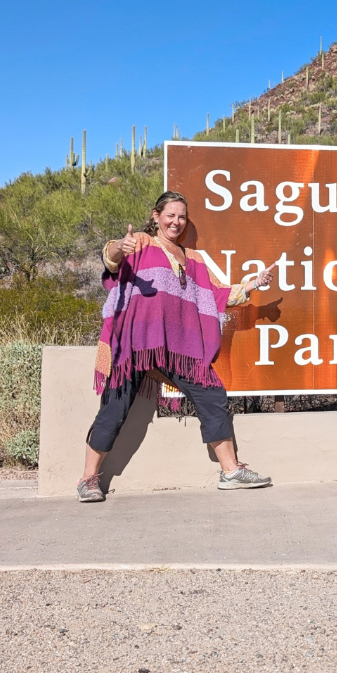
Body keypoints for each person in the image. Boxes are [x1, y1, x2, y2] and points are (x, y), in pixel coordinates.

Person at [78, 191, 277, 502]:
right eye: (170, 215)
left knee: (212, 394)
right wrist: (120, 246)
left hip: (176, 347)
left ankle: (231, 471)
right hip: (134, 342)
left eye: (182, 216)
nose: (176, 222)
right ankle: (89, 479)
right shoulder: (141, 242)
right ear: (156, 216)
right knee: (114, 409)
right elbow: (111, 260)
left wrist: (253, 284)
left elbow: (217, 292)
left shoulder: (194, 259)